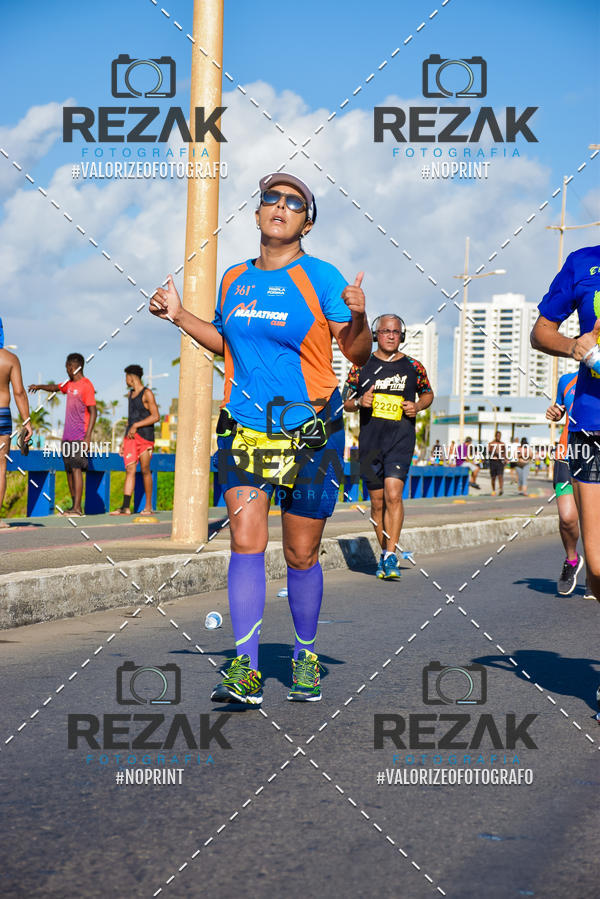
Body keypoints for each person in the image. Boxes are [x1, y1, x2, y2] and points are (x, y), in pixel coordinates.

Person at [150, 172, 371, 706]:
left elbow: (358, 354)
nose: (280, 206)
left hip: (310, 434)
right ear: (256, 215)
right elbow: (225, 341)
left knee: (301, 553)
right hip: (246, 430)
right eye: (271, 197)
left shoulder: (321, 276)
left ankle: (305, 657)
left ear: (306, 222)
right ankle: (245, 669)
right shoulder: (234, 278)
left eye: (294, 202)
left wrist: (359, 314)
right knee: (244, 540)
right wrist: (180, 315)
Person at [531, 244, 600, 611]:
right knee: (598, 568)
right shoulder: (582, 262)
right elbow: (541, 332)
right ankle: (575, 560)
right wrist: (577, 347)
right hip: (588, 430)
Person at [342, 314, 434, 579]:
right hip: (370, 443)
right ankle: (385, 553)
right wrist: (360, 402)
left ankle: (391, 555)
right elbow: (344, 402)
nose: (391, 336)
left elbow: (427, 392)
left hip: (400, 440)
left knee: (394, 494)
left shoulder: (413, 366)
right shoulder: (361, 366)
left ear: (401, 335)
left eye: (395, 331)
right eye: (385, 331)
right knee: (377, 502)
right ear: (376, 335)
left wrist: (417, 405)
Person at [29, 353, 96, 516]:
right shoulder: (70, 384)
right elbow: (55, 388)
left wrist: (87, 437)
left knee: (76, 469)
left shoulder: (86, 385)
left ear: (74, 367)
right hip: (66, 437)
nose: (66, 370)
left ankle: (78, 509)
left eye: (67, 367)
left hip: (79, 436)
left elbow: (94, 412)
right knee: (68, 471)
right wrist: (39, 387)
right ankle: (74, 506)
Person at [545, 370, 587, 595]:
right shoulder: (566, 380)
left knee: (594, 520)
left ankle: (594, 572)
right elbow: (560, 408)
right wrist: (555, 411)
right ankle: (572, 561)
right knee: (568, 517)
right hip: (566, 455)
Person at [110, 365, 160, 515]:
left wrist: (137, 425)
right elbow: (130, 420)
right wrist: (123, 442)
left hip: (145, 437)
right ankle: (125, 507)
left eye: (126, 377)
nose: (125, 380)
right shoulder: (130, 395)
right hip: (130, 438)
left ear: (131, 377)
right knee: (130, 470)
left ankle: (148, 507)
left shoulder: (147, 393)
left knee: (145, 470)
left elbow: (156, 416)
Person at [0, 336, 33, 527]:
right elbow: (19, 392)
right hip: (2, 413)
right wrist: (27, 421)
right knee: (1, 466)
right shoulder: (11, 359)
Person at [488, 430, 507, 495]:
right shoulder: (491, 443)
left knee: (500, 476)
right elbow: (488, 452)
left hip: (500, 462)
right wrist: (494, 452)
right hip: (493, 461)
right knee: (493, 477)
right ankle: (493, 490)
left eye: (500, 436)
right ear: (495, 436)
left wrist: (505, 459)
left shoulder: (502, 444)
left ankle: (501, 489)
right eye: (497, 436)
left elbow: (504, 452)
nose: (498, 437)